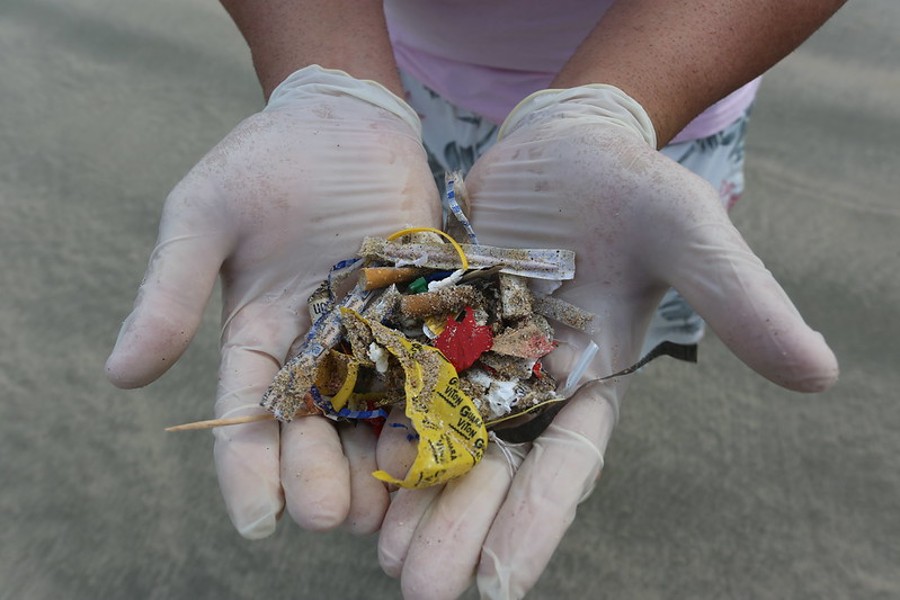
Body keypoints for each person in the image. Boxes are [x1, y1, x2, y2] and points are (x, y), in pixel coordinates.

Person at [106, 1, 844, 598]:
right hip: (397, 85)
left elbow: (544, 320)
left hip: (662, 113)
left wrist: (612, 106)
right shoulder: (396, 301)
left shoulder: (521, 315)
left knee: (631, 306)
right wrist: (327, 79)